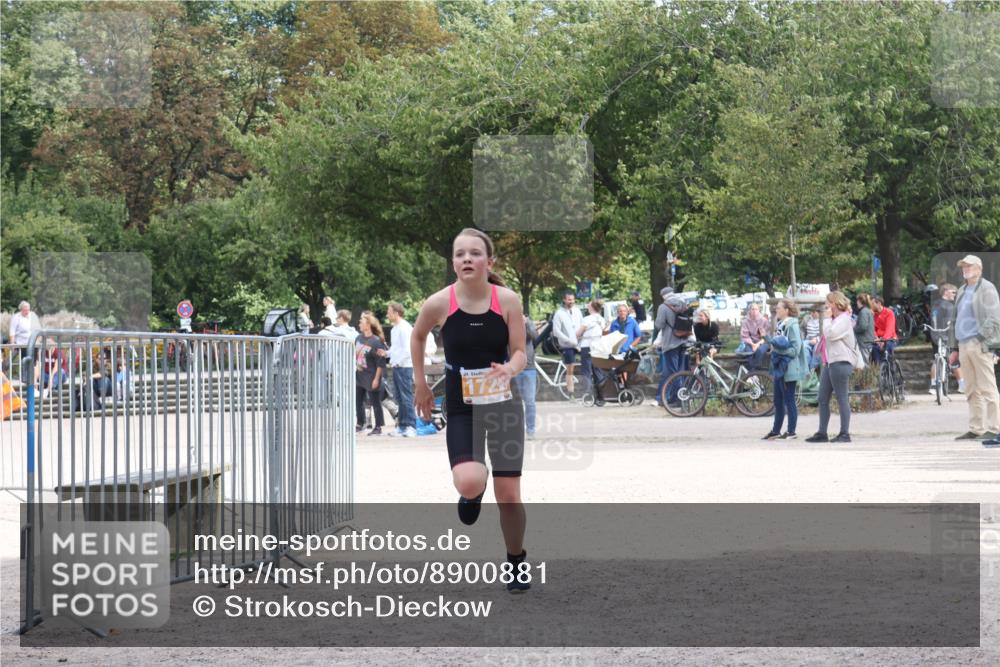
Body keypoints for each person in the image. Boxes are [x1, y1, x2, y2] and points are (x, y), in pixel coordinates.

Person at [411, 228, 531, 593]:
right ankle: (472, 490)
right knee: (469, 479)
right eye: (460, 253)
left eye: (475, 253)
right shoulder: (438, 303)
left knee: (509, 494)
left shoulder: (508, 301)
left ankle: (515, 562)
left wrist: (510, 368)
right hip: (463, 406)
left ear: (488, 262)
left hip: (503, 405)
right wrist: (420, 384)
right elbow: (417, 337)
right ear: (453, 262)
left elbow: (521, 352)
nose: (467, 259)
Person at [946, 257, 1000, 445]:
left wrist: (979, 338)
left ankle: (995, 429)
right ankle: (976, 429)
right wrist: (953, 348)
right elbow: (955, 320)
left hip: (979, 344)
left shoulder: (987, 289)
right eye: (963, 266)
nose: (965, 269)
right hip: (963, 345)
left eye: (969, 266)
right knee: (971, 389)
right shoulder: (961, 290)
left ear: (979, 268)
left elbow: (994, 319)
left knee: (988, 388)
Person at [806, 291, 859, 443]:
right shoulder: (836, 319)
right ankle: (822, 433)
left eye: (828, 303)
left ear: (835, 303)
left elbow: (830, 334)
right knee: (822, 398)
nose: (826, 306)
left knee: (842, 397)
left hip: (841, 362)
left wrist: (828, 318)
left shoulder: (843, 320)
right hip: (830, 362)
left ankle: (844, 433)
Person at [763, 299, 808, 440]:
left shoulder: (792, 325)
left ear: (787, 310)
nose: (777, 310)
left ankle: (791, 431)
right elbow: (778, 344)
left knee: (789, 400)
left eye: (779, 308)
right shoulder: (781, 325)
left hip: (788, 368)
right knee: (778, 400)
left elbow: (795, 350)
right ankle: (776, 430)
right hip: (779, 367)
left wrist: (778, 352)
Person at [655, 289, 693, 407]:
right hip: (684, 341)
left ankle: (677, 399)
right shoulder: (683, 303)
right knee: (680, 372)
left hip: (670, 343)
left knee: (673, 372)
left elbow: (659, 324)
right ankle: (677, 397)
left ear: (663, 296)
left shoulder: (663, 307)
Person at [384, 303, 417, 438]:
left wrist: (397, 361)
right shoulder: (394, 329)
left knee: (406, 397)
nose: (387, 314)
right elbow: (395, 348)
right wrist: (386, 353)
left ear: (396, 313)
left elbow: (408, 349)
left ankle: (411, 426)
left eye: (389, 312)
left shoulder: (405, 328)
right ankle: (402, 426)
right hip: (397, 366)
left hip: (404, 366)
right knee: (399, 397)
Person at [355, 313, 388, 436]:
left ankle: (378, 426)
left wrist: (376, 379)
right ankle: (360, 423)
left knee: (375, 402)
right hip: (359, 374)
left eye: (361, 321)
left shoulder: (376, 341)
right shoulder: (358, 338)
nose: (359, 324)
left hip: (372, 375)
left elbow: (381, 363)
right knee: (358, 401)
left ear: (368, 324)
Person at [929, 283, 964, 394]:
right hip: (947, 336)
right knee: (953, 359)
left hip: (935, 336)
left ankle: (933, 385)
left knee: (937, 359)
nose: (955, 295)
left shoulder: (935, 304)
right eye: (953, 292)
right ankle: (962, 385)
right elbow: (952, 323)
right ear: (946, 291)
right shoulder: (949, 306)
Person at [551, 291, 582, 396]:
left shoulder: (577, 311)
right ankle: (571, 393)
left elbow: (582, 325)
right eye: (569, 299)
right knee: (570, 370)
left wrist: (580, 338)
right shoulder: (559, 313)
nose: (571, 302)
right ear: (564, 300)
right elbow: (556, 331)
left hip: (579, 344)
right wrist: (569, 340)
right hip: (567, 346)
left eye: (573, 299)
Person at [512, 317, 538, 438]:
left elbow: (534, 336)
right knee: (515, 403)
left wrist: (525, 324)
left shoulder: (528, 322)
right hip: (513, 368)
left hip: (529, 368)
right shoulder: (508, 322)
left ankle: (531, 430)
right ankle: (517, 430)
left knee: (530, 401)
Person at [576, 299, 606, 397]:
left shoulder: (587, 319)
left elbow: (578, 333)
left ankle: (588, 393)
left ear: (592, 308)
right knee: (598, 369)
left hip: (587, 345)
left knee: (586, 370)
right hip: (598, 345)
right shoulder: (601, 319)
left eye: (588, 306)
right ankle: (602, 392)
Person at [737, 302, 770, 370]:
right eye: (752, 309)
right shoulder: (745, 321)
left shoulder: (764, 321)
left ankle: (753, 372)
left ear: (759, 310)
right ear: (749, 310)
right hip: (750, 342)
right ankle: (753, 374)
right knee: (749, 352)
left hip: (762, 342)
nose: (754, 311)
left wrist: (757, 344)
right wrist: (752, 344)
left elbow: (767, 335)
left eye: (756, 309)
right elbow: (744, 336)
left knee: (760, 351)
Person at [870, 296, 896, 365]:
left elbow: (889, 329)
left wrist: (883, 340)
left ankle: (891, 370)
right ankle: (878, 370)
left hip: (890, 339)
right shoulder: (873, 315)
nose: (871, 306)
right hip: (878, 340)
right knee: (874, 349)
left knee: (888, 348)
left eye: (872, 304)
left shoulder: (889, 313)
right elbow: (873, 329)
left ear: (879, 304)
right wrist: (876, 339)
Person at [853, 293, 876, 362]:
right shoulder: (867, 311)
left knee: (864, 363)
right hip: (867, 340)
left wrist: (853, 329)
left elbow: (863, 327)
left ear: (859, 301)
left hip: (864, 341)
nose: (856, 303)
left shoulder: (863, 312)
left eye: (857, 301)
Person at [802, 305, 823, 370]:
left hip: (819, 340)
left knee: (817, 350)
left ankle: (812, 368)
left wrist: (817, 339)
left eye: (814, 312)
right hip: (808, 339)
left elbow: (825, 333)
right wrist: (802, 337)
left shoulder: (823, 320)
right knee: (803, 346)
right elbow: (802, 328)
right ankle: (806, 368)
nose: (812, 314)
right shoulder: (807, 319)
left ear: (819, 312)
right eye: (811, 312)